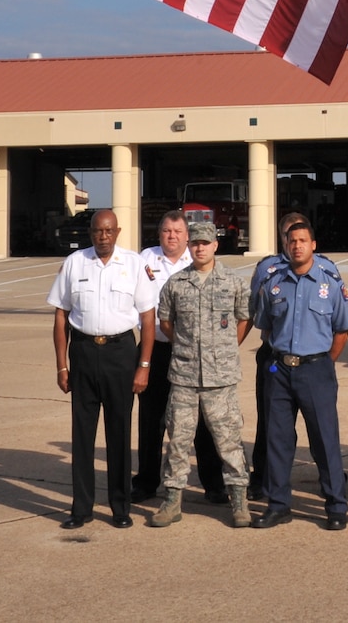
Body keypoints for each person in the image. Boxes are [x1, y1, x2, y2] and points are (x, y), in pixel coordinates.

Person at [47, 209, 156, 530]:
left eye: (108, 231)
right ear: (91, 233)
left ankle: (120, 506)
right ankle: (81, 508)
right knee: (82, 435)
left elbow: (148, 320)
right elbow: (60, 317)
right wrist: (61, 365)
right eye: (97, 231)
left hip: (121, 354)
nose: (103, 237)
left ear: (117, 232)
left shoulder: (134, 264)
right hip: (82, 353)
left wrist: (143, 366)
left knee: (119, 433)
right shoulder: (75, 263)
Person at [148, 221, 254, 527]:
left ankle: (239, 501)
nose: (200, 247)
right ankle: (172, 502)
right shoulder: (176, 283)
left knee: (228, 440)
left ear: (216, 245)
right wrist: (187, 345)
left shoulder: (233, 282)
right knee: (178, 441)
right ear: (189, 246)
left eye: (205, 242)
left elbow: (244, 319)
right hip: (184, 375)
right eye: (195, 243)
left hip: (220, 378)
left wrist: (225, 348)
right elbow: (166, 322)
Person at [248, 219, 348, 530]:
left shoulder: (330, 284)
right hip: (279, 369)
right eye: (292, 241)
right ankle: (278, 504)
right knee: (277, 440)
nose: (297, 246)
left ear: (313, 245)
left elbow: (342, 329)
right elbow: (266, 327)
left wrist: (322, 362)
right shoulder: (274, 283)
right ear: (286, 244)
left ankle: (336, 505)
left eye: (303, 240)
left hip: (315, 369)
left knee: (324, 440)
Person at [134, 210, 225, 503]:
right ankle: (147, 482)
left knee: (201, 420)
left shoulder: (198, 260)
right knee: (152, 419)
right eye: (166, 231)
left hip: (191, 353)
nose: (171, 236)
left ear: (187, 236)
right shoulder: (144, 260)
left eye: (177, 232)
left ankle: (214, 484)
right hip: (156, 349)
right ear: (158, 234)